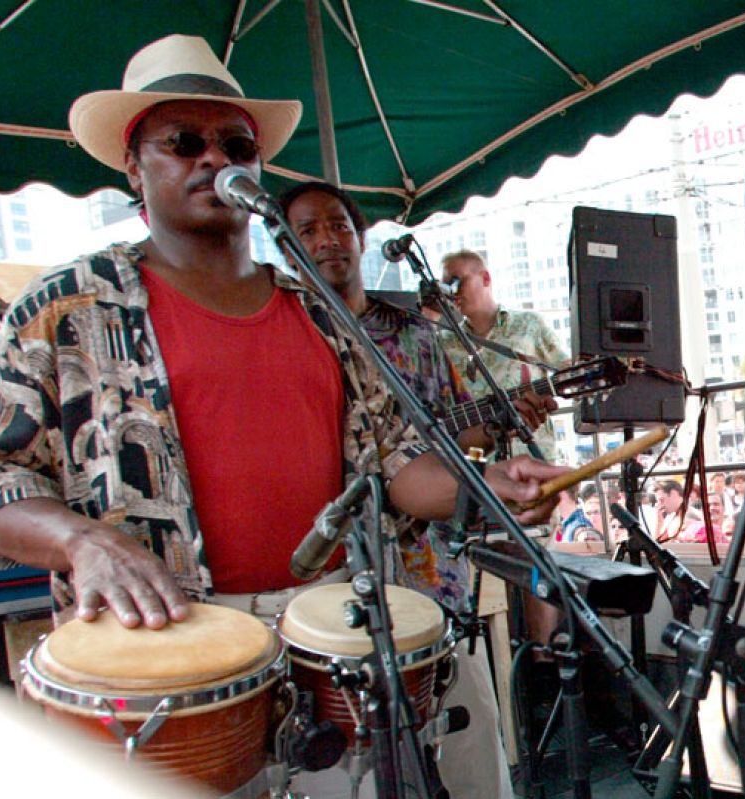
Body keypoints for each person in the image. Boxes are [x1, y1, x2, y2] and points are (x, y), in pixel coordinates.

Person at [0, 33, 566, 793]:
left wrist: (490, 482)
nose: (212, 159)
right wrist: (81, 540)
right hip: (166, 658)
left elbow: (397, 466)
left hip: (330, 642)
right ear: (134, 165)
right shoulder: (65, 310)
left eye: (235, 144)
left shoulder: (325, 316)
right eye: (183, 142)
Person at [280, 180, 534, 799]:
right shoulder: (280, 329)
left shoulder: (416, 335)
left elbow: (456, 435)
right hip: (326, 569)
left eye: (337, 226)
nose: (325, 240)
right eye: (307, 230)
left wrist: (503, 418)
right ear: (285, 247)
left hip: (424, 560)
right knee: (351, 747)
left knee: (466, 714)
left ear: (360, 237)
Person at [439, 249, 571, 462]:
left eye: (457, 281)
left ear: (485, 278)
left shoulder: (529, 325)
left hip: (533, 457)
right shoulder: (442, 342)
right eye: (446, 286)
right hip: (478, 470)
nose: (452, 292)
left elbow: (566, 368)